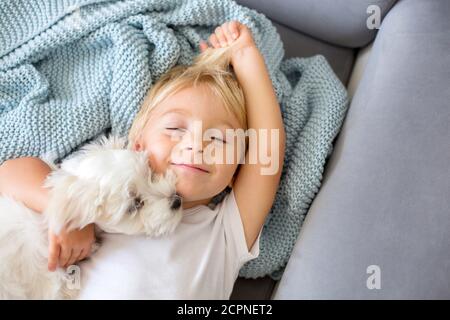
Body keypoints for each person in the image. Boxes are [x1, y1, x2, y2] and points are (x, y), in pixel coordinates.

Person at [0, 20, 286, 299]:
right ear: (139, 145)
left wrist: (246, 57)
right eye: (175, 129)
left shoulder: (226, 232)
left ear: (237, 170)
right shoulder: (116, 182)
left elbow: (268, 157)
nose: (196, 145)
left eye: (220, 139)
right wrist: (66, 216)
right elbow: (10, 173)